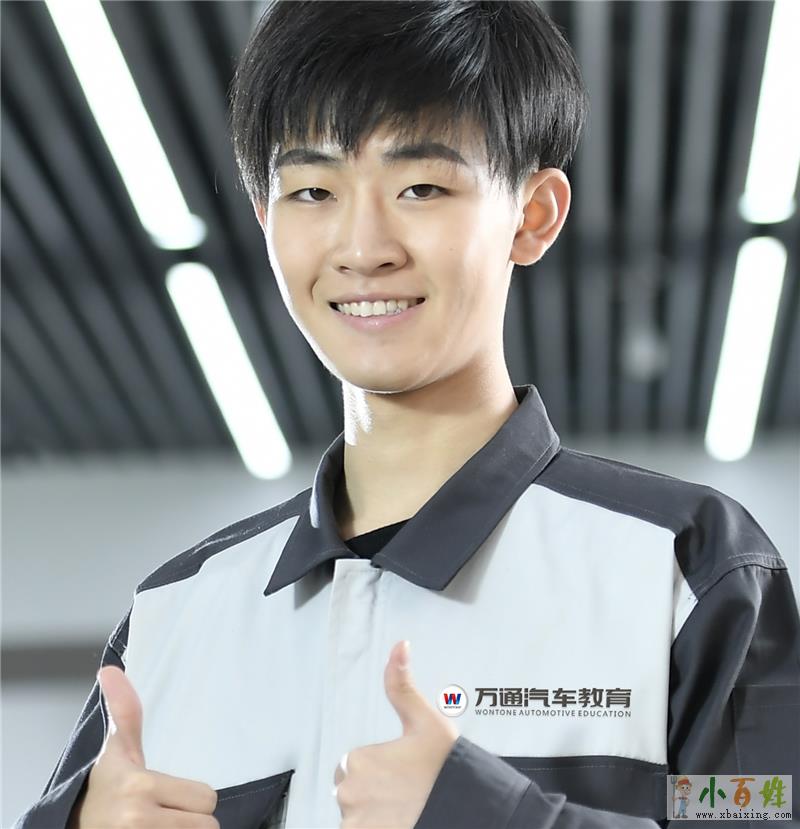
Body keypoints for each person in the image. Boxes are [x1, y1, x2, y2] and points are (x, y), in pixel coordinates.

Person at [15, 2, 800, 828]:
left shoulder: (682, 569)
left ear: (532, 214)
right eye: (313, 190)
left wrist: (497, 816)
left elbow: (762, 812)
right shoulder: (176, 613)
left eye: (421, 186)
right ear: (265, 218)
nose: (363, 247)